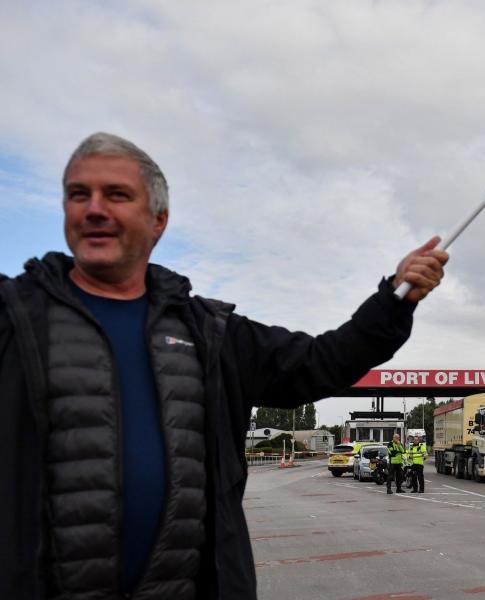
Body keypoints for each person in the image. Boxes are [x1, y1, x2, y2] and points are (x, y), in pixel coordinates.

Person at [0, 132, 449, 600]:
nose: (94, 208)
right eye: (78, 194)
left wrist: (396, 299)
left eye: (116, 194)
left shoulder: (210, 334)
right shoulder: (14, 321)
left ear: (158, 221)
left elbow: (321, 362)